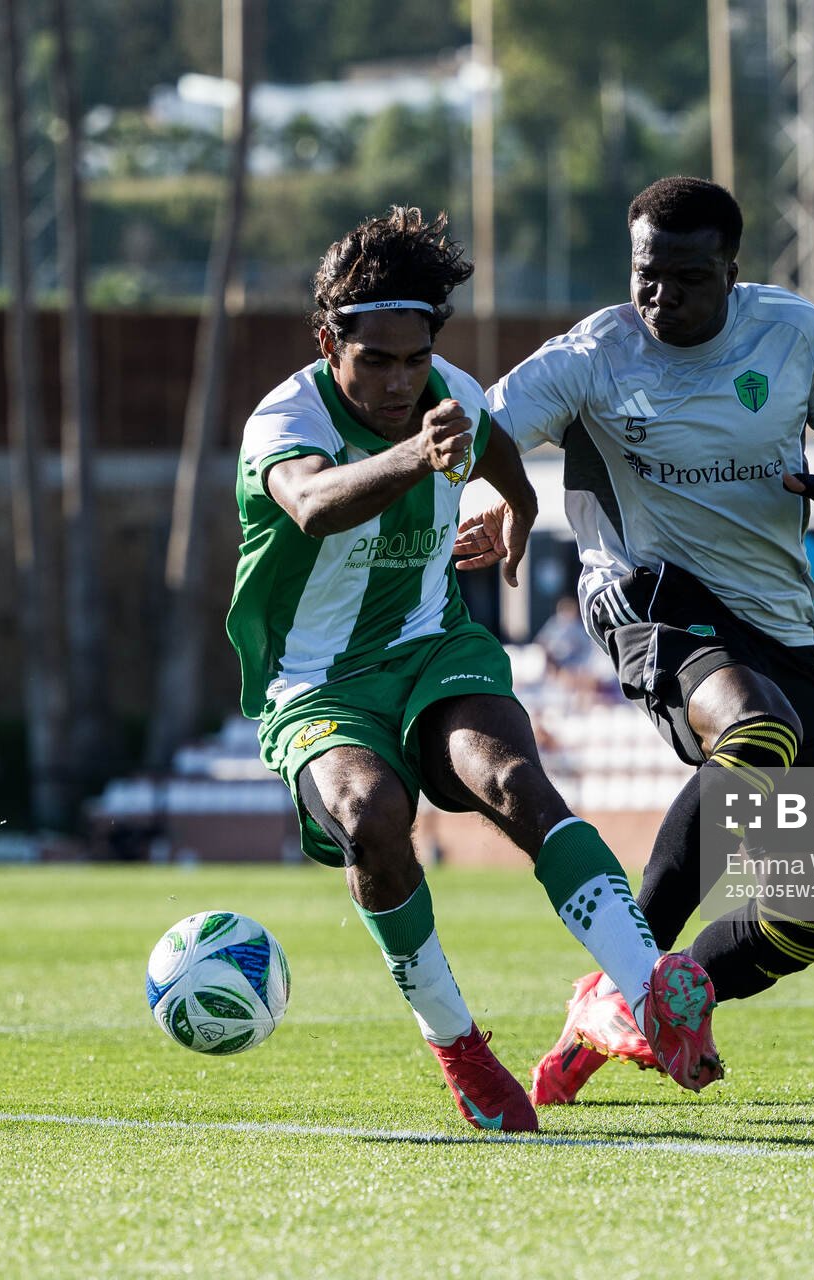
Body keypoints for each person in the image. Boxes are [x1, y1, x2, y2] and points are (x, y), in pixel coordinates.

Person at [224, 207, 722, 1133]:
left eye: (415, 360)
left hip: (433, 649)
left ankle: (649, 991)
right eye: (377, 361)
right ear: (330, 340)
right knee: (373, 817)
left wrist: (518, 508)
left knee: (513, 779)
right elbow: (313, 507)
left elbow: (493, 446)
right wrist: (421, 452)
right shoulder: (284, 419)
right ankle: (459, 1047)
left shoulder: (448, 392)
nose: (400, 381)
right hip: (317, 683)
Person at [459, 176, 814, 1104]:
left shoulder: (794, 335)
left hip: (774, 621)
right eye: (644, 275)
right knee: (755, 731)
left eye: (686, 279)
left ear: (733, 273)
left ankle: (631, 1006)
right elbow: (479, 435)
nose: (658, 297)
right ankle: (634, 978)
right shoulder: (593, 356)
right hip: (647, 593)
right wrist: (495, 496)